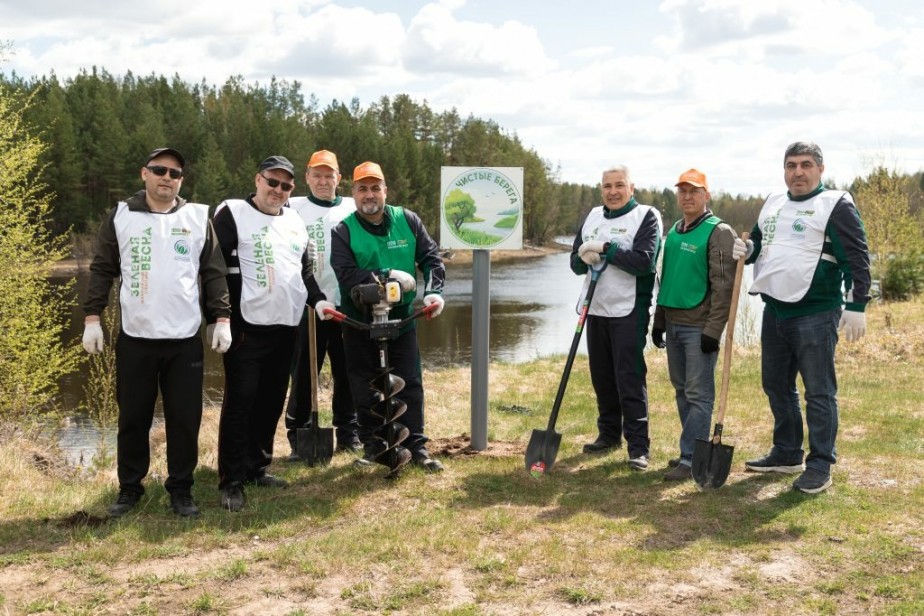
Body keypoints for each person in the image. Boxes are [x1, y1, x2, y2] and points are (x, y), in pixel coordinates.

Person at [81, 147, 232, 519]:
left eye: (175, 173)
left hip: (184, 341)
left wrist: (222, 318)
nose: (167, 177)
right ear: (144, 174)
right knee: (133, 417)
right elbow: (102, 269)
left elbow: (213, 271)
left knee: (184, 420)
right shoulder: (121, 216)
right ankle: (129, 489)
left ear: (181, 180)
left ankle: (181, 490)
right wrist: (91, 317)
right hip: (137, 338)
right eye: (159, 170)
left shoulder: (197, 218)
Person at [737, 141, 871, 494]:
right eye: (792, 165)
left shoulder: (835, 205)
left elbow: (857, 258)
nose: (798, 172)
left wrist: (857, 304)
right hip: (775, 309)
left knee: (819, 391)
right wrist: (747, 250)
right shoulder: (773, 203)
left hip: (816, 312)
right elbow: (759, 242)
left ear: (820, 169)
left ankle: (821, 464)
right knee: (776, 385)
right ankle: (787, 453)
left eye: (806, 164)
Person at [212, 155, 327, 511]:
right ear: (257, 180)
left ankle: (257, 467)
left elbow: (304, 271)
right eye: (272, 182)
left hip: (286, 326)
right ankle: (231, 480)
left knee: (272, 401)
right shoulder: (232, 213)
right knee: (240, 402)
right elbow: (215, 268)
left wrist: (319, 302)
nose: (278, 190)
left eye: (286, 186)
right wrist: (220, 317)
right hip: (246, 326)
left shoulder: (294, 220)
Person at [330, 161, 447, 473]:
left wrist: (433, 292)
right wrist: (384, 274)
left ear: (385, 191)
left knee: (409, 381)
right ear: (353, 193)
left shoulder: (407, 220)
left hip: (402, 318)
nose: (370, 194)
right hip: (359, 320)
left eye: (375, 188)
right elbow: (345, 274)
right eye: (362, 188)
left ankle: (416, 446)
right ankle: (375, 446)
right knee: (364, 384)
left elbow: (431, 258)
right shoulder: (343, 231)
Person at [571, 165, 663, 470]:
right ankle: (608, 434)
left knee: (629, 376)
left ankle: (639, 447)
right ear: (601, 190)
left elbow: (643, 263)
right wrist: (584, 256)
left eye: (619, 185)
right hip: (594, 306)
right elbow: (574, 264)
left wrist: (607, 249)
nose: (613, 191)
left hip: (629, 309)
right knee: (601, 374)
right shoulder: (592, 216)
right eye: (607, 186)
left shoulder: (646, 216)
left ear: (631, 188)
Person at [651, 169, 737, 481]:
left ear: (706, 195)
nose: (688, 196)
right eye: (683, 191)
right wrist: (658, 322)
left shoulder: (719, 232)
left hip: (698, 328)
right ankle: (691, 452)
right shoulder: (673, 232)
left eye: (694, 191)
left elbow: (724, 286)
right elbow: (667, 281)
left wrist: (713, 331)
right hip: (673, 324)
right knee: (681, 390)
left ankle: (691, 459)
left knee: (699, 395)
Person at [285, 150, 359, 459]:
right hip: (307, 305)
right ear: (307, 178)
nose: (323, 181)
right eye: (317, 175)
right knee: (304, 373)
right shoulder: (293, 207)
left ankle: (349, 434)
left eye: (329, 175)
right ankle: (299, 435)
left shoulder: (353, 208)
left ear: (339, 179)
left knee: (348, 373)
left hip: (346, 306)